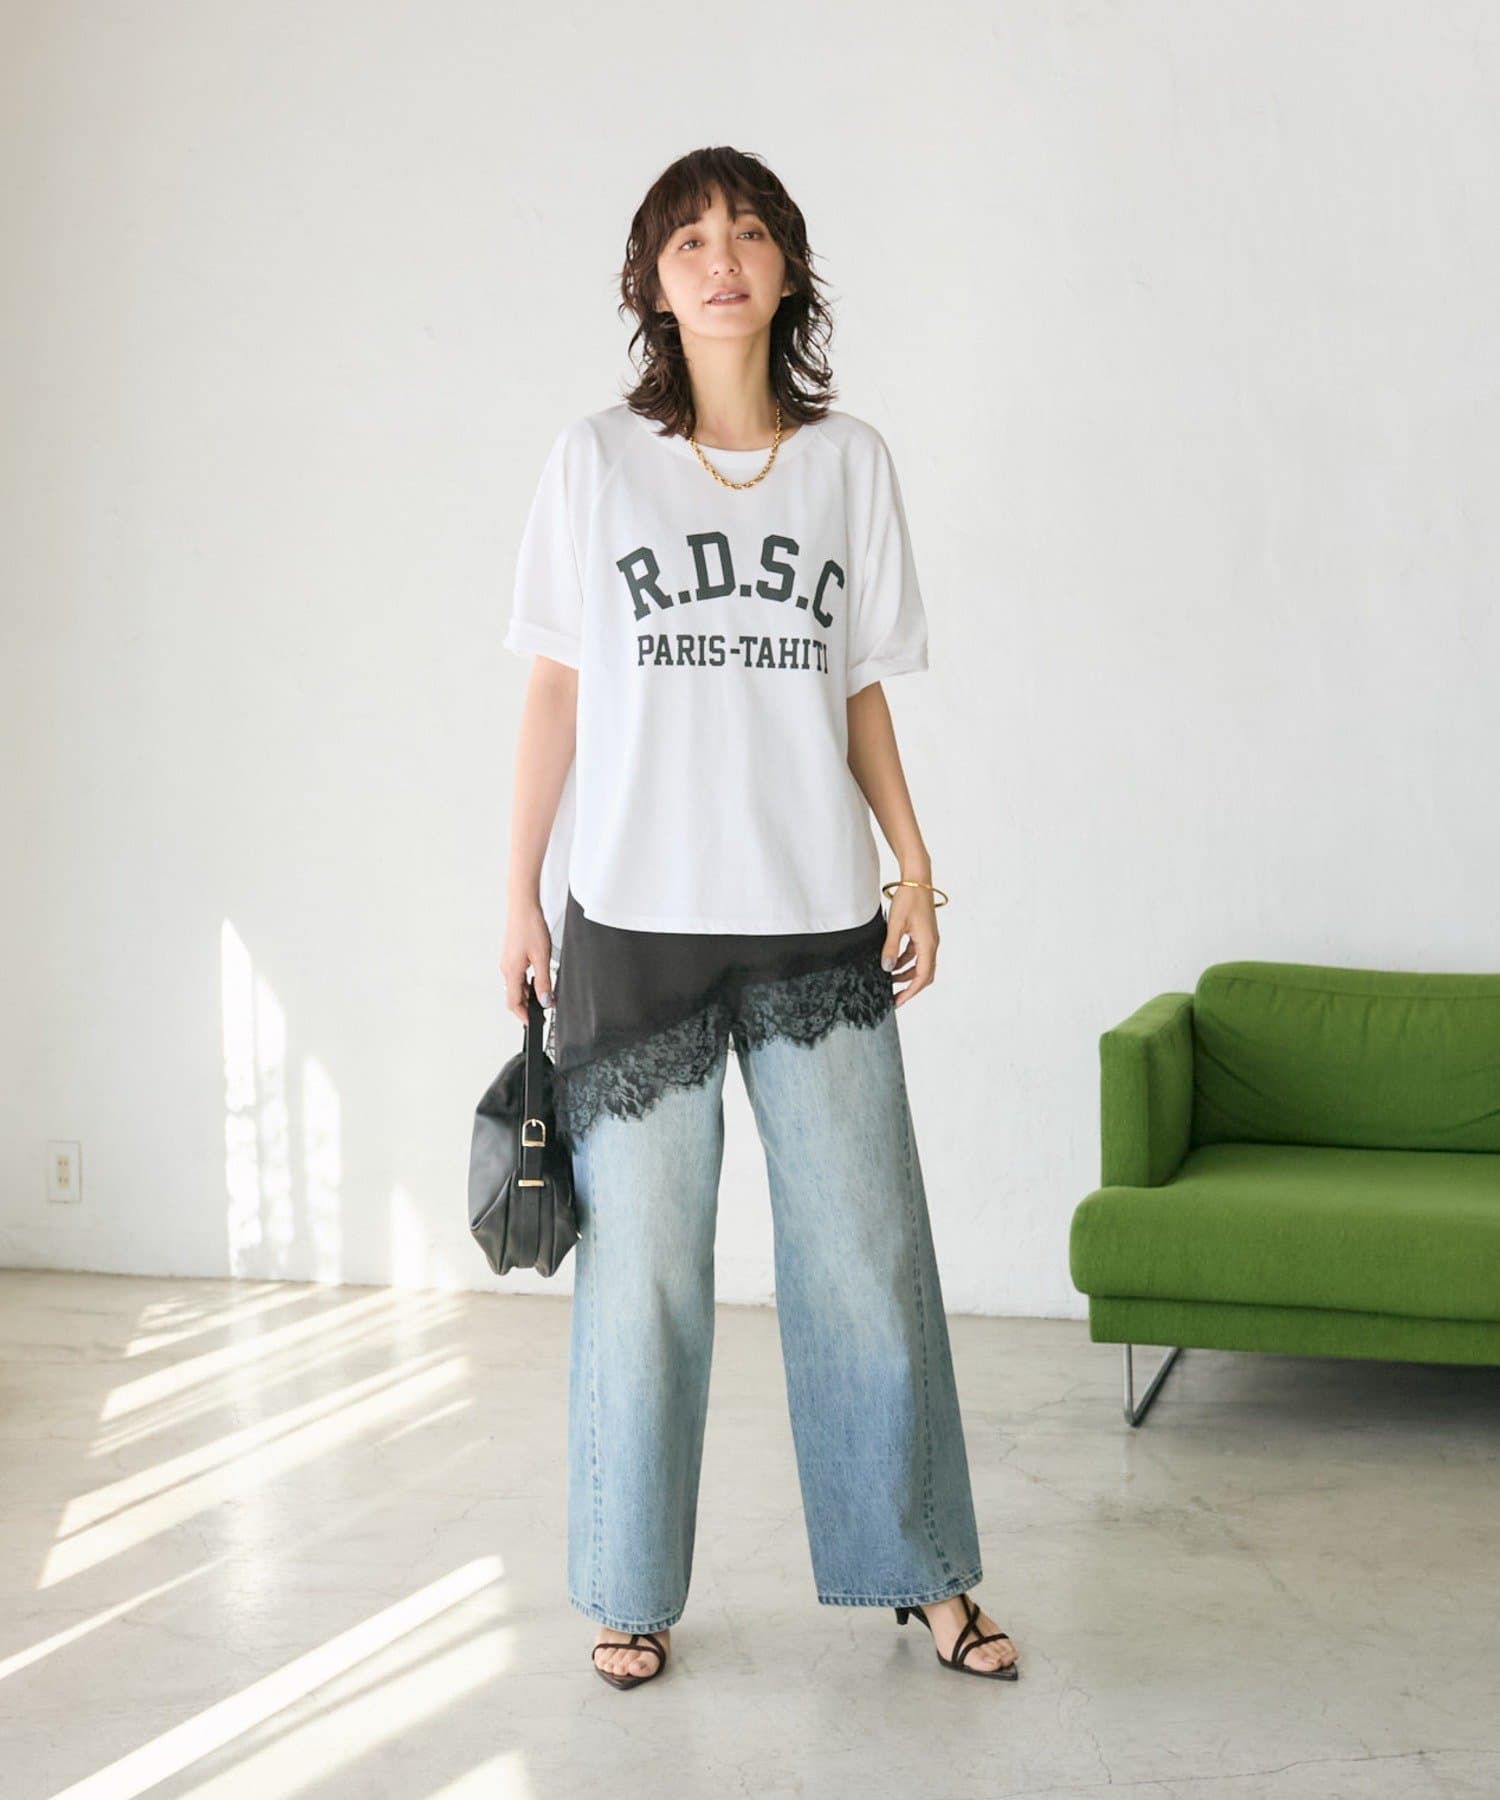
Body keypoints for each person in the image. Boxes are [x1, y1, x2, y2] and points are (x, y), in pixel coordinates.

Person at [499, 146, 1020, 1689]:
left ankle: (927, 1575)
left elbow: (855, 690)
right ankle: (627, 1589)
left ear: (787, 266)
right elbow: (555, 688)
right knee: (644, 1277)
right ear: (653, 284)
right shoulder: (597, 461)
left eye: (746, 233)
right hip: (634, 923)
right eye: (688, 240)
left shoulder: (848, 463)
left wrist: (912, 862)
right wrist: (516, 891)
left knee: (868, 1257)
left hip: (811, 918)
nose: (720, 258)